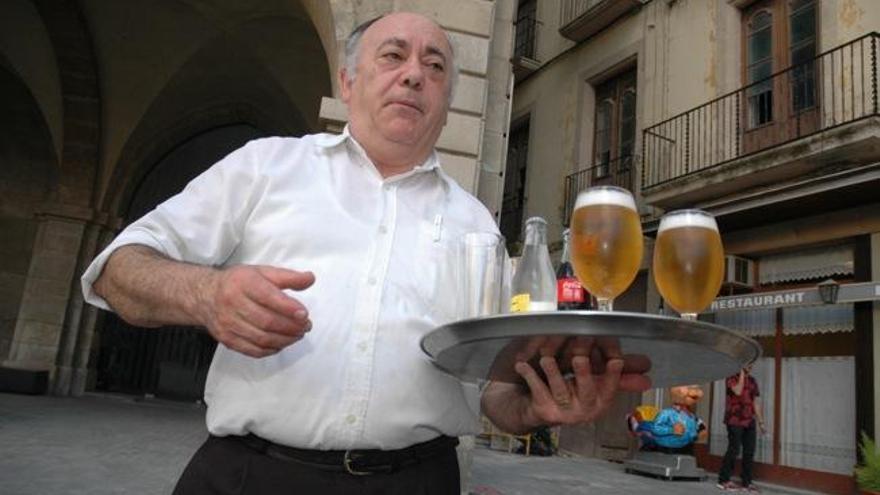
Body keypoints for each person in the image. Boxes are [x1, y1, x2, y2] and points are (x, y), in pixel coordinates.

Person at [81, 12, 650, 495]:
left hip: (419, 480)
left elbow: (490, 388)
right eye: (394, 56)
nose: (413, 76)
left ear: (447, 103)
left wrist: (531, 410)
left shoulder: (475, 222)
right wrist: (207, 295)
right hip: (249, 475)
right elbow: (117, 270)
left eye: (434, 67)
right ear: (348, 81)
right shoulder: (265, 166)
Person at [717, 364, 766, 493]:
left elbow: (755, 402)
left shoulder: (753, 381)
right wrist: (742, 373)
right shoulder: (731, 378)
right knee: (734, 449)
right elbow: (738, 391)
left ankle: (747, 482)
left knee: (749, 451)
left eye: (751, 365)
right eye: (746, 365)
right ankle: (723, 480)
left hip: (749, 420)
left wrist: (761, 422)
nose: (749, 367)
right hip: (734, 419)